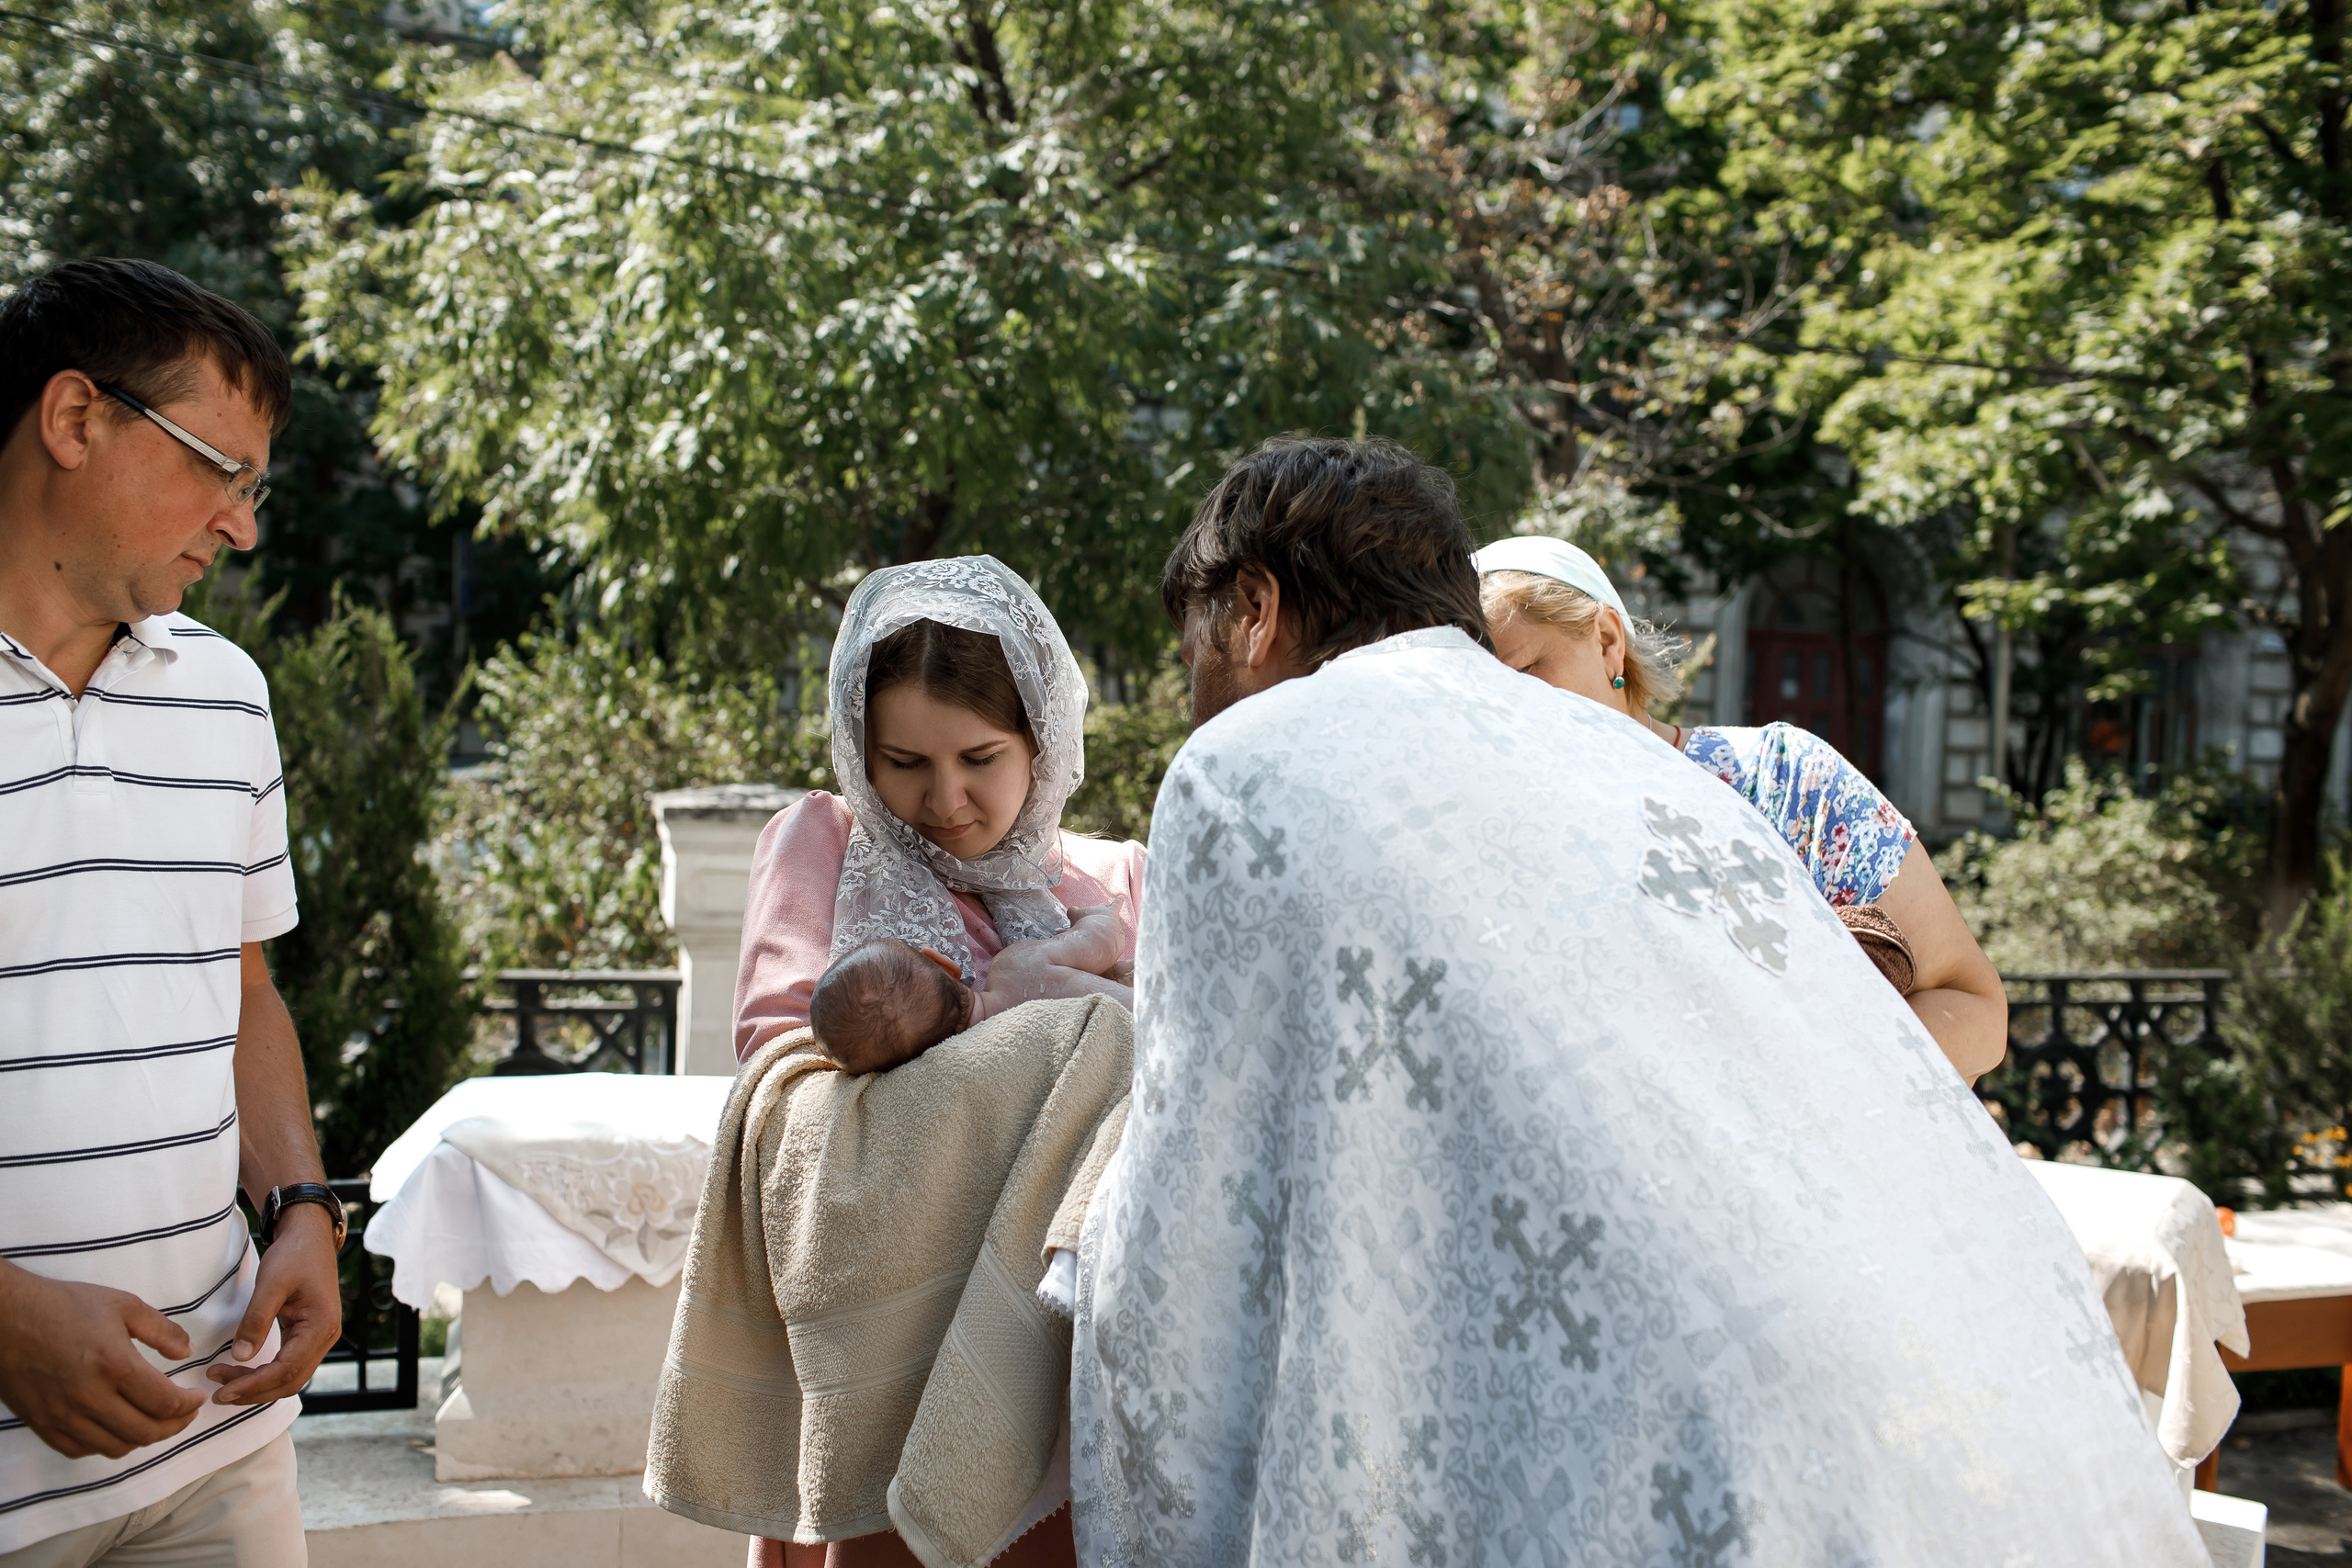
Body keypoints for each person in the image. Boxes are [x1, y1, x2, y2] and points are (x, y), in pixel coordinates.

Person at [1067, 435, 2207, 1566]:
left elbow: (1195, 1234)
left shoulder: (1252, 763)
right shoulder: (1652, 769)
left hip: (1668, 1446)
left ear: (1254, 608)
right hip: (1997, 1397)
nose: (1197, 699)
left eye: (1190, 660)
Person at [0, 259, 341, 1565]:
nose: (241, 527)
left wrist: (303, 1202)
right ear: (76, 419)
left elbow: (241, 986)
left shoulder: (225, 690)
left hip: (219, 1446)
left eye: (256, 488)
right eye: (220, 469)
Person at [729, 555, 1144, 1567]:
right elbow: (784, 1091)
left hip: (1054, 1373)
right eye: (902, 762)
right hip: (893, 1362)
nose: (943, 798)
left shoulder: (1114, 882)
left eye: (980, 757)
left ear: (1042, 741)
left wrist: (1090, 1003)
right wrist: (1000, 1027)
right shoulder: (822, 843)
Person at [1475, 535, 2007, 1084]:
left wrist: (1813, 1079)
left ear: (1608, 641)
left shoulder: (1786, 781)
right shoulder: (1493, 844)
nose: (1509, 718)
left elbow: (1975, 1010)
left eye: (1525, 675)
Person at [812, 906, 1132, 1076]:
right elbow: (1102, 943)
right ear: (946, 965)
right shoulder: (1014, 967)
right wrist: (1097, 916)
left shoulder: (979, 1072)